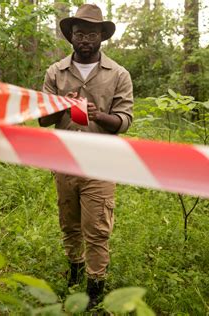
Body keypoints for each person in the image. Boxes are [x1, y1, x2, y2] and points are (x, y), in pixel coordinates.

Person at [38, 3, 133, 311]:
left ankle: (95, 288)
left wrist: (99, 115)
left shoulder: (118, 74)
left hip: (101, 163)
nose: (85, 39)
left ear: (101, 37)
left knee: (97, 229)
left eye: (92, 33)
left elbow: (124, 120)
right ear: (71, 37)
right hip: (64, 162)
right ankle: (74, 273)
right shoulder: (55, 72)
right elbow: (41, 119)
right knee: (69, 224)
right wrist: (62, 107)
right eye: (79, 33)